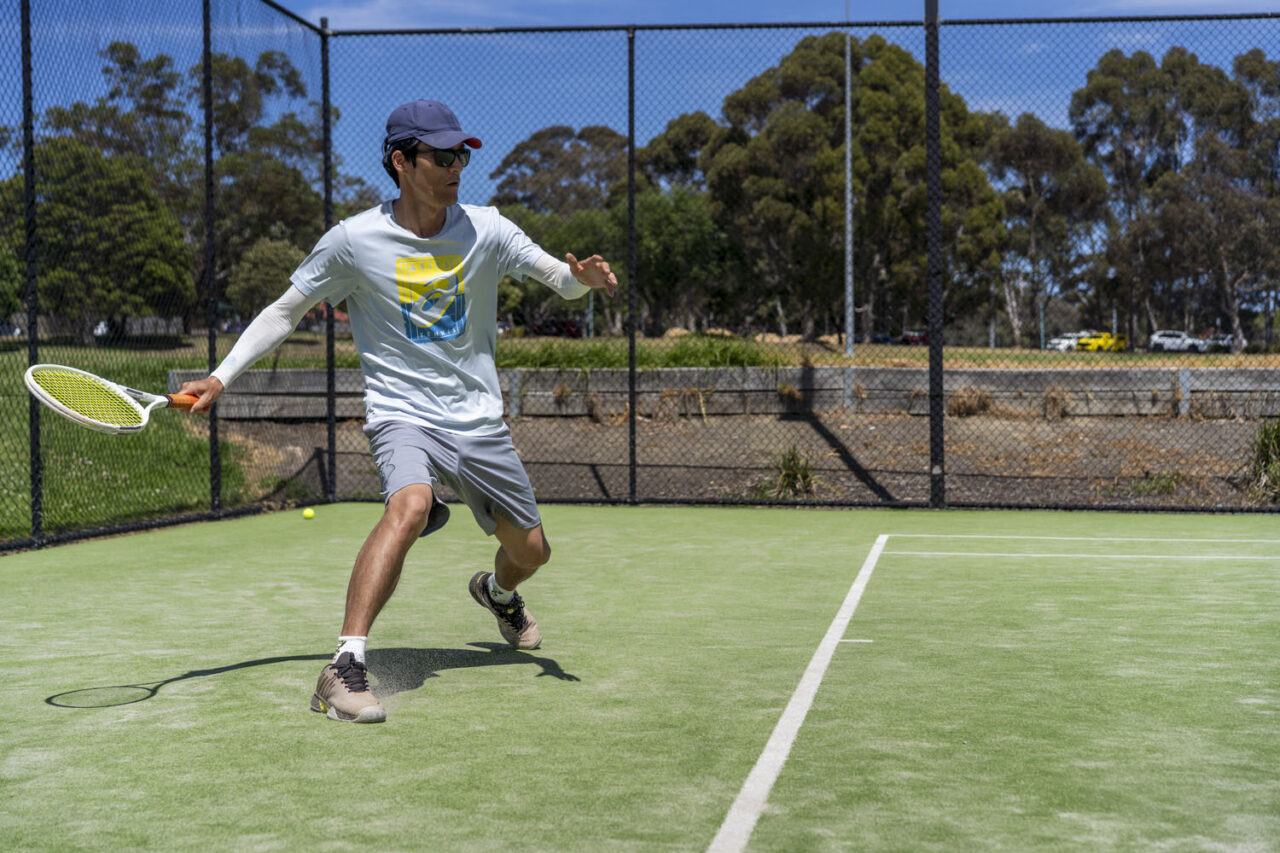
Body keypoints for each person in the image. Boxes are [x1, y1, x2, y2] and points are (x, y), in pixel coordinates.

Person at [179, 99, 617, 723]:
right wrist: (221, 377)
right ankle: (346, 667)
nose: (455, 167)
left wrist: (585, 282)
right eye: (441, 156)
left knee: (533, 552)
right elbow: (284, 311)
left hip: (479, 420)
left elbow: (559, 277)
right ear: (402, 161)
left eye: (461, 155)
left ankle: (496, 593)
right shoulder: (354, 240)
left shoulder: (487, 228)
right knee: (408, 505)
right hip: (401, 413)